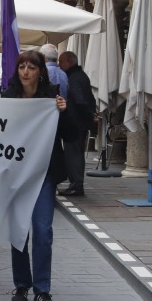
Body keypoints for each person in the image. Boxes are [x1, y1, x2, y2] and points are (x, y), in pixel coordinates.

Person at [4, 49, 68, 301]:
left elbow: (71, 133)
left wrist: (64, 111)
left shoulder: (52, 96)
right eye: (22, 67)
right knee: (19, 230)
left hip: (43, 173)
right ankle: (21, 284)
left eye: (31, 67)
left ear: (41, 71)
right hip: (16, 173)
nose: (26, 72)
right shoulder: (7, 96)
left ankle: (42, 289)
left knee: (43, 230)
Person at [58, 50, 97, 196]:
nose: (59, 65)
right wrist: (91, 114)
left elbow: (79, 99)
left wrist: (90, 114)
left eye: (61, 62)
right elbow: (89, 98)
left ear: (69, 62)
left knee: (73, 154)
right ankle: (76, 184)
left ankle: (76, 185)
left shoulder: (73, 77)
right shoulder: (82, 76)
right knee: (77, 153)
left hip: (75, 122)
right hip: (81, 122)